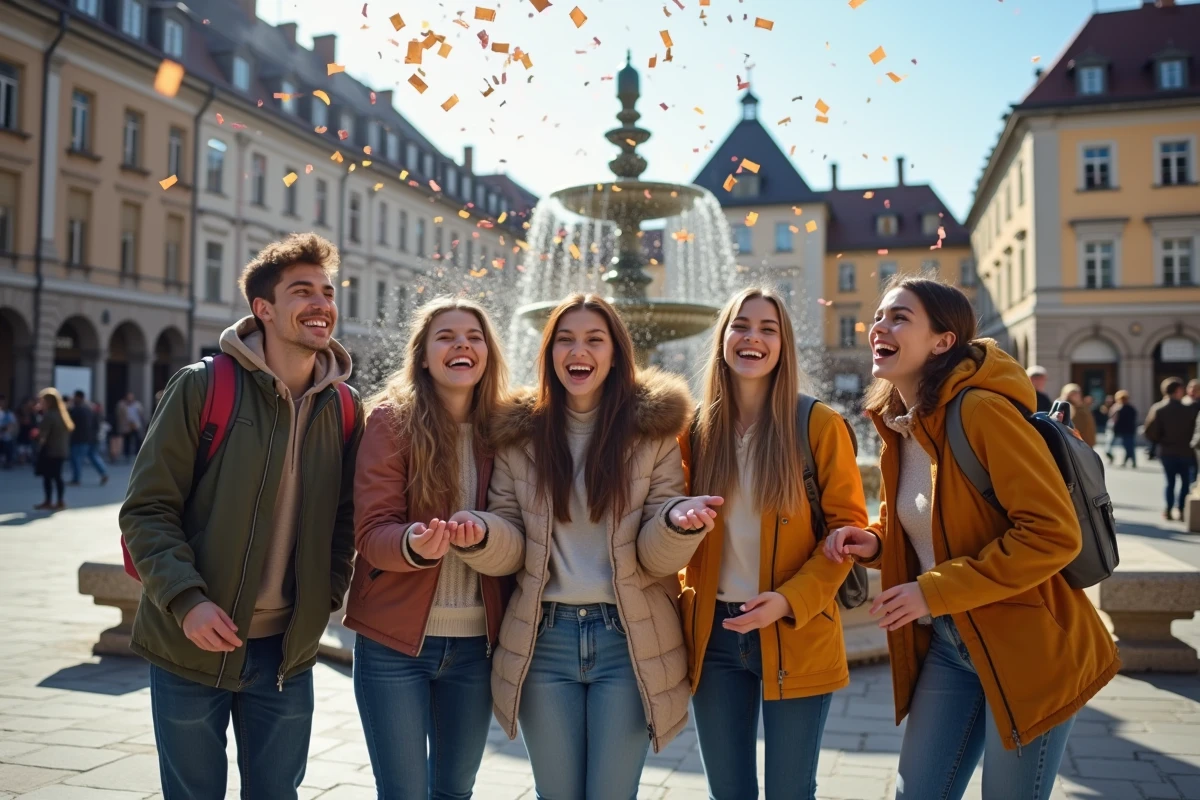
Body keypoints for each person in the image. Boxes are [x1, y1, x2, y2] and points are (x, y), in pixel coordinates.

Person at [821, 276, 1119, 800]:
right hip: (949, 645)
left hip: (1029, 647)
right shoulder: (902, 424)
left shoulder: (982, 411)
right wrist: (874, 543)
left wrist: (930, 591)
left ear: (943, 342)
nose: (878, 327)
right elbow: (931, 527)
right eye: (880, 316)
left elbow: (1053, 535)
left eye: (899, 318)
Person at [120, 233, 362, 799]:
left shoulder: (346, 407)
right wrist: (187, 601)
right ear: (264, 309)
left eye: (327, 291)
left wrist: (324, 597)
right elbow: (147, 509)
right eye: (301, 291)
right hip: (190, 642)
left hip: (286, 655)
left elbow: (345, 521)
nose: (321, 303)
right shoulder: (204, 385)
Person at [460, 293, 722, 799]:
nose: (578, 351)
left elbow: (654, 555)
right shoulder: (519, 437)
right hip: (544, 641)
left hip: (627, 641)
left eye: (594, 340)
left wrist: (678, 525)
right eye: (566, 339)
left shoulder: (653, 436)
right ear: (550, 352)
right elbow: (513, 544)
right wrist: (483, 536)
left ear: (615, 353)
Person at [679, 288, 868, 800]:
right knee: (728, 790)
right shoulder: (692, 431)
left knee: (790, 790)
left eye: (768, 328)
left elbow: (846, 534)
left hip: (797, 628)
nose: (753, 338)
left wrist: (787, 601)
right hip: (714, 636)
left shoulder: (818, 424)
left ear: (783, 345)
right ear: (722, 338)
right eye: (741, 326)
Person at [343, 298, 514, 798]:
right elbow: (371, 532)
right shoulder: (391, 422)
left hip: (477, 648)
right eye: (446, 336)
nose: (462, 344)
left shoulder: (510, 429)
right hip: (394, 644)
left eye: (474, 336)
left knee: (455, 791)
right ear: (422, 355)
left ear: (488, 353)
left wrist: (486, 536)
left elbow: (523, 531)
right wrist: (414, 544)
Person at [1143, 377, 1200, 521]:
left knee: (1170, 482)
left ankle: (1168, 509)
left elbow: (1149, 431)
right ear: (1178, 390)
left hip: (1166, 451)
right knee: (1185, 482)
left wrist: (1160, 440)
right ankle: (1180, 509)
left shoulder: (1158, 408)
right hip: (1185, 451)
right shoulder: (1189, 409)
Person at [34, 388, 73, 511]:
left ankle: (48, 501)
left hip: (50, 451)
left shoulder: (49, 415)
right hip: (61, 450)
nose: (41, 403)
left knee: (48, 477)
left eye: (43, 401)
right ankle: (60, 501)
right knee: (57, 476)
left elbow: (43, 436)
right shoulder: (62, 414)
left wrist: (36, 439)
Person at [68, 390, 108, 486]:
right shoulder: (90, 409)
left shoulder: (77, 409)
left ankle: (76, 479)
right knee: (93, 456)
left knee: (76, 458)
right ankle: (103, 473)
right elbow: (96, 424)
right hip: (91, 438)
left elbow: (70, 423)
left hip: (79, 438)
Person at [1107, 390, 1138, 468]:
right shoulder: (1117, 408)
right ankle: (1129, 461)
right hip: (1122, 430)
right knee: (1128, 447)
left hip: (1126, 430)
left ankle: (1131, 461)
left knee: (1129, 447)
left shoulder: (1126, 408)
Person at [117, 392, 145, 459]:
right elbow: (119, 415)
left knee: (137, 439)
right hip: (127, 424)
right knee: (127, 440)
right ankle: (127, 454)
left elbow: (141, 414)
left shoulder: (137, 405)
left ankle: (137, 453)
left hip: (136, 424)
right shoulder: (122, 405)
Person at [0, 395, 16, 469]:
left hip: (6, 437)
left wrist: (7, 430)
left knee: (7, 449)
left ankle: (8, 462)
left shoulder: (9, 413)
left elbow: (12, 424)